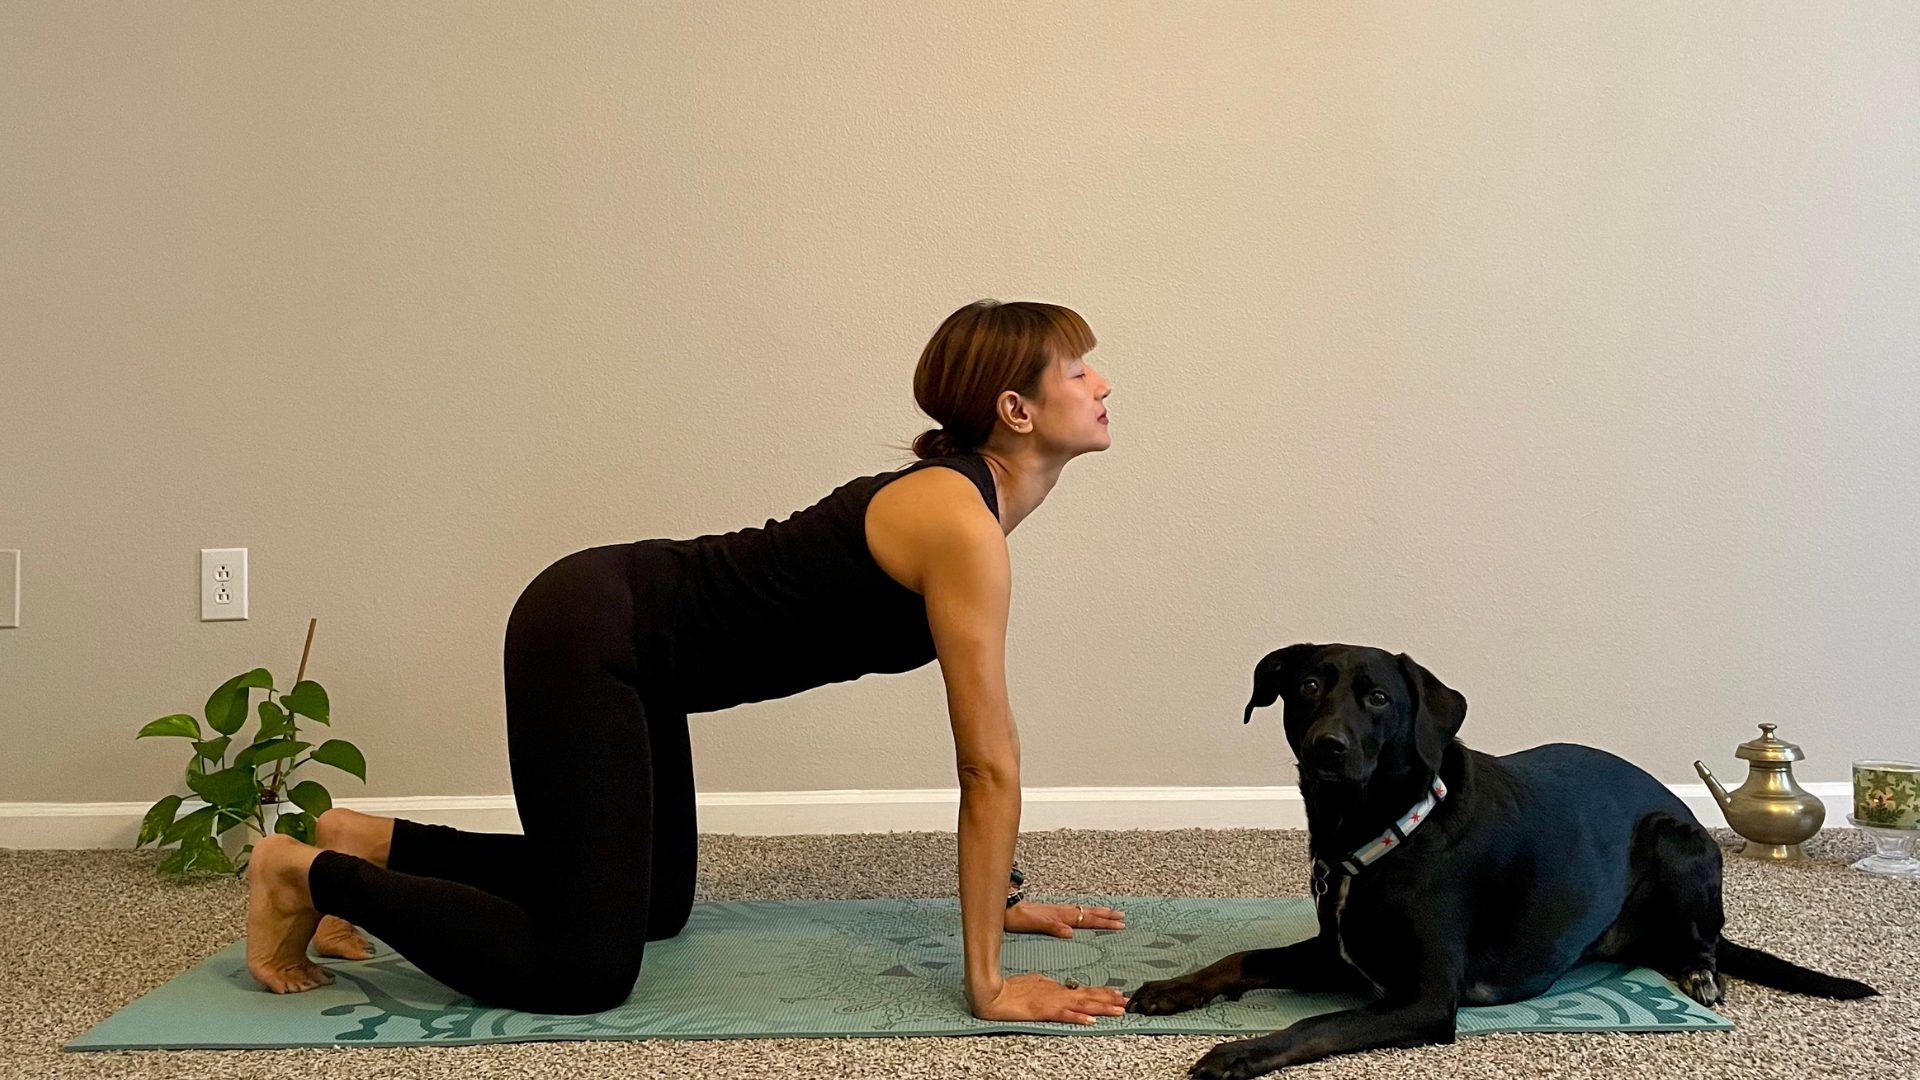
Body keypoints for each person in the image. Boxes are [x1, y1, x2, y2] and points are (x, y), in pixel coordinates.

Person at [243, 299, 1127, 1025]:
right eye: (1079, 371)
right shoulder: (960, 521)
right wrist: (988, 982)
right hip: (596, 633)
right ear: (1017, 409)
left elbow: (985, 751)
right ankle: (305, 874)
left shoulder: (972, 509)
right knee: (581, 972)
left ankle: (360, 838)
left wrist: (1001, 898)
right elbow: (986, 760)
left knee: (654, 909)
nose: (1102, 383)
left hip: (643, 655)